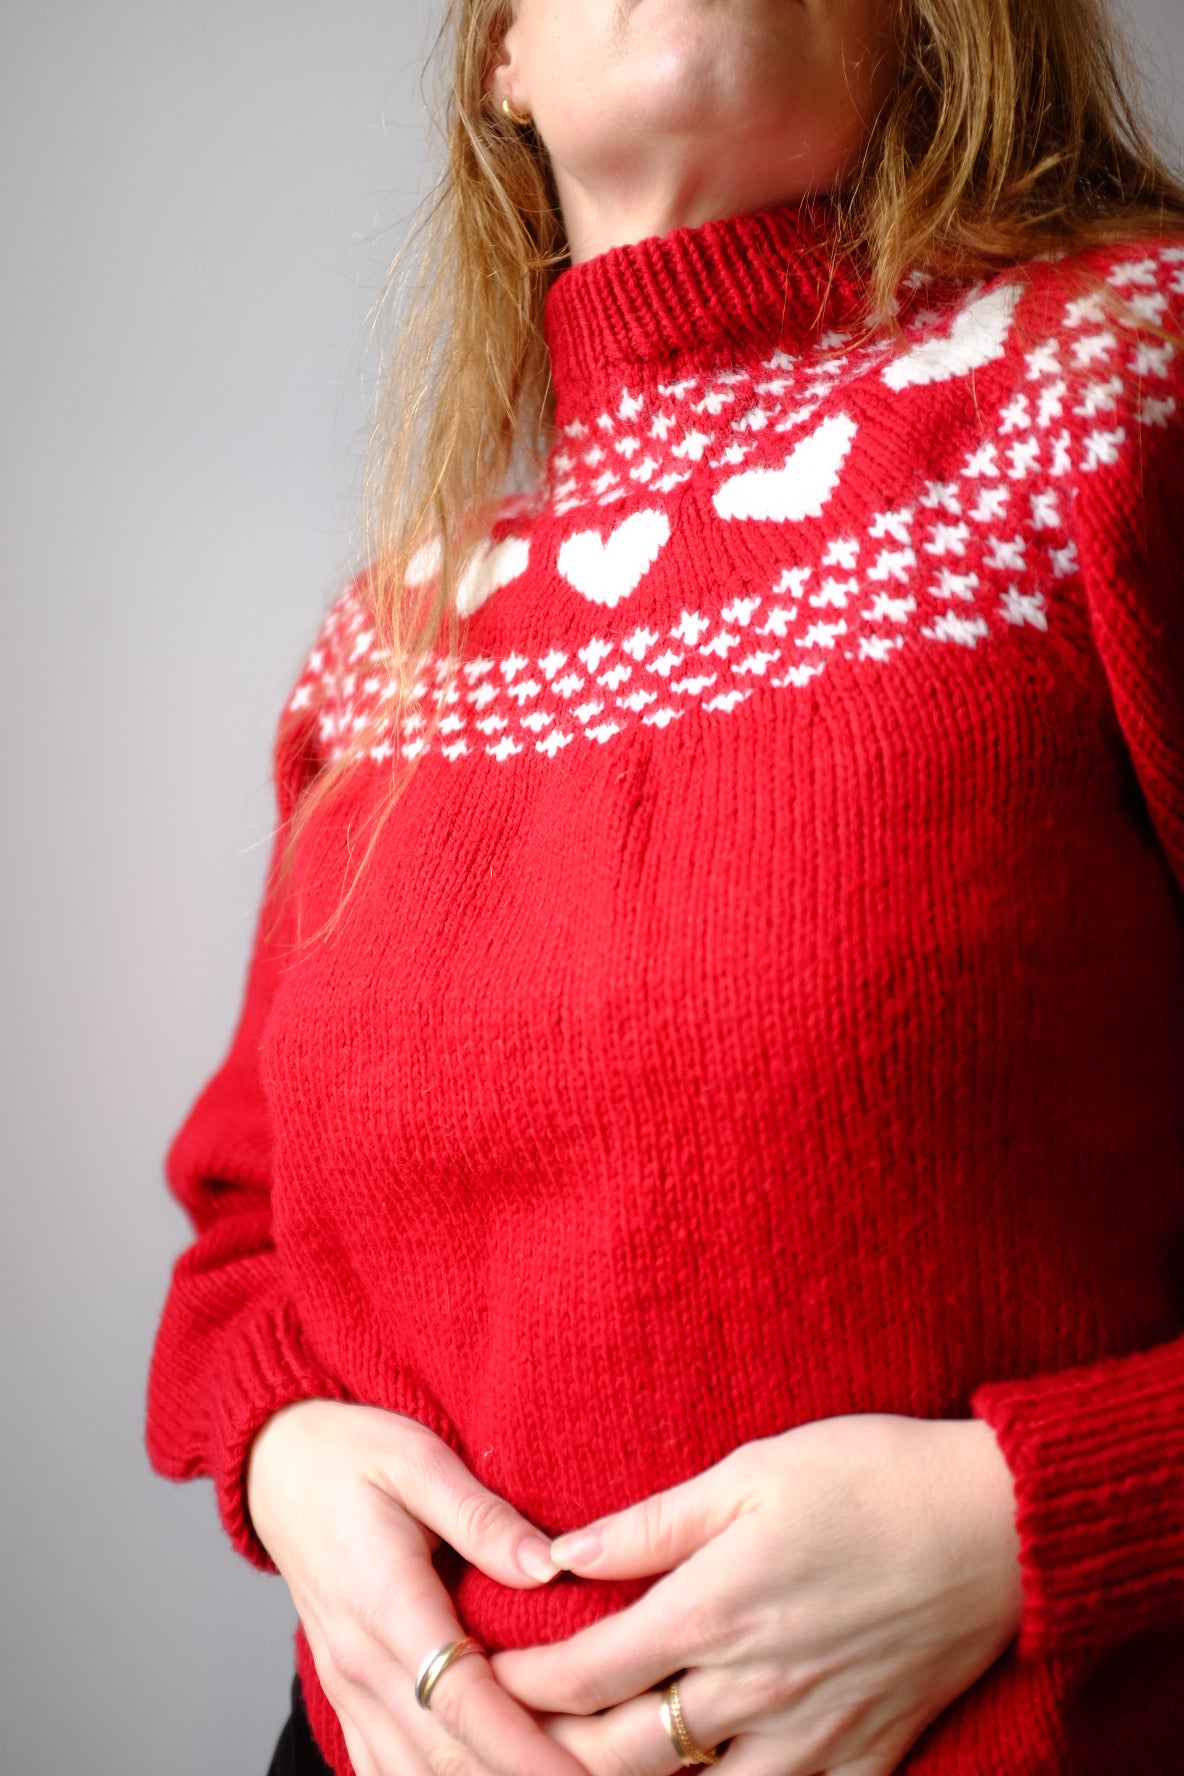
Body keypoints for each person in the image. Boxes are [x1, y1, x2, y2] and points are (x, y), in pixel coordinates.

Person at [145, 0, 1184, 1771]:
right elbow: (244, 1228)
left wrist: (1041, 1515)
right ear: (501, 63)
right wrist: (283, 1456)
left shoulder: (1131, 372)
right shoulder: (394, 628)